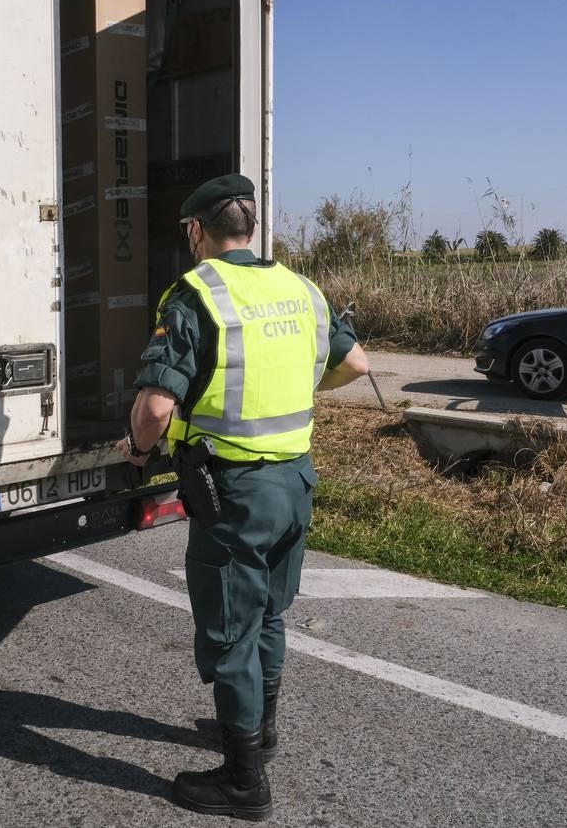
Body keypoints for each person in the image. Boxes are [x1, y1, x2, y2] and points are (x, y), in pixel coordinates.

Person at [116, 174, 370, 820]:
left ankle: (242, 780)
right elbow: (356, 363)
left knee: (230, 632)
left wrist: (139, 450)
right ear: (250, 229)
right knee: (269, 616)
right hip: (295, 483)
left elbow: (154, 406)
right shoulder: (300, 288)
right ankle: (263, 732)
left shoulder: (194, 294)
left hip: (234, 494)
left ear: (196, 231)